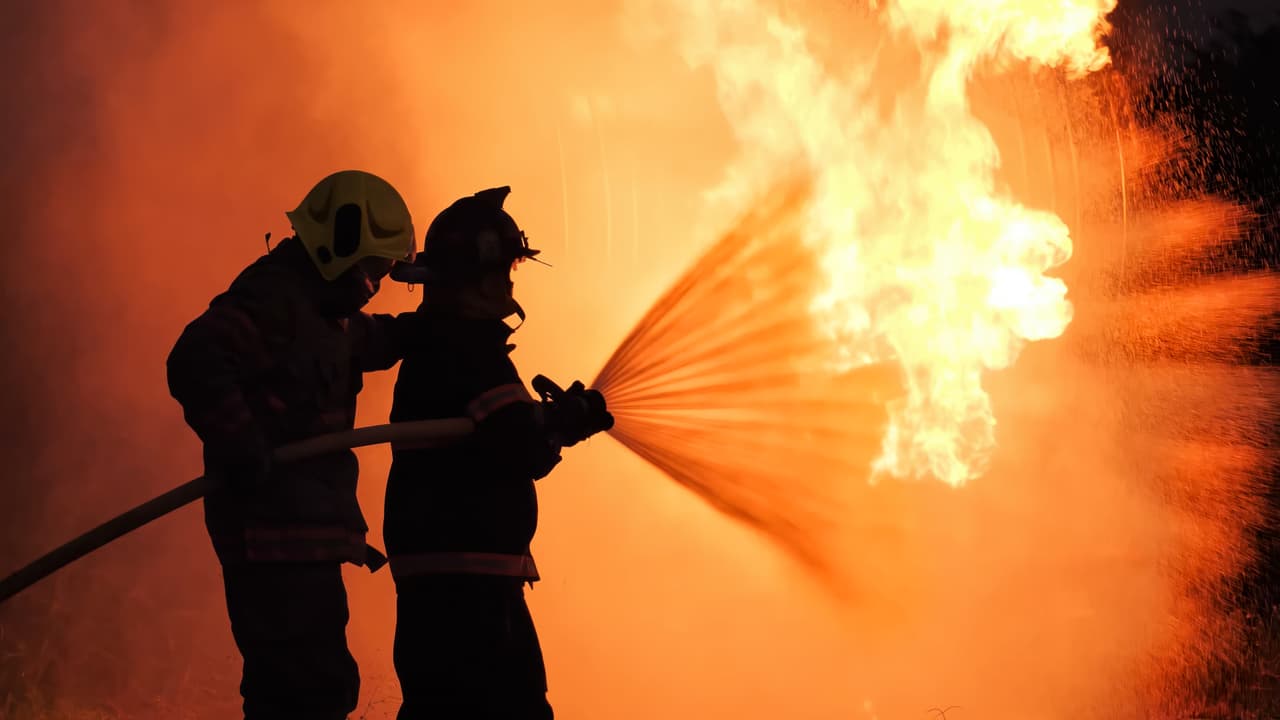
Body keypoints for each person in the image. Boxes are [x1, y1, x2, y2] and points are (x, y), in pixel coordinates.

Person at [166, 170, 417, 720]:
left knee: (313, 688)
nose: (372, 284)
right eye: (372, 268)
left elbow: (368, 340)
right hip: (271, 533)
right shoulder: (275, 298)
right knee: (303, 694)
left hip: (299, 536)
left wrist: (428, 330)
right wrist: (241, 441)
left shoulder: (323, 312)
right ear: (341, 241)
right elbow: (195, 359)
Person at [383, 186, 613, 719]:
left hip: (455, 583)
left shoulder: (441, 347)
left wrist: (553, 421)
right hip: (466, 592)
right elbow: (519, 444)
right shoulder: (468, 350)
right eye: (506, 269)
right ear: (476, 277)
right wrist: (565, 421)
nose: (510, 283)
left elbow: (501, 433)